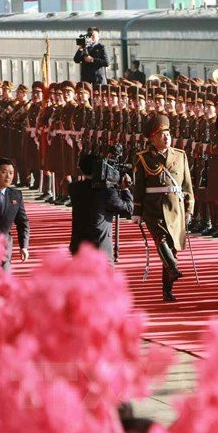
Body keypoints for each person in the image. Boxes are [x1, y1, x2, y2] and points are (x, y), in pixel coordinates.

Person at [132, 115, 195, 302]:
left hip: (175, 207)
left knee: (172, 247)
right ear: (152, 139)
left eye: (167, 134)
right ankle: (173, 267)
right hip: (153, 206)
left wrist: (189, 208)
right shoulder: (143, 158)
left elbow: (187, 185)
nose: (166, 138)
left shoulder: (180, 155)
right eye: (161, 135)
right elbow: (139, 187)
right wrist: (137, 211)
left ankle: (167, 289)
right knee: (161, 239)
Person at [68, 153, 134, 263]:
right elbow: (128, 210)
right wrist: (125, 189)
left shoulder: (74, 188)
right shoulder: (107, 192)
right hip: (99, 250)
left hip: (78, 246)